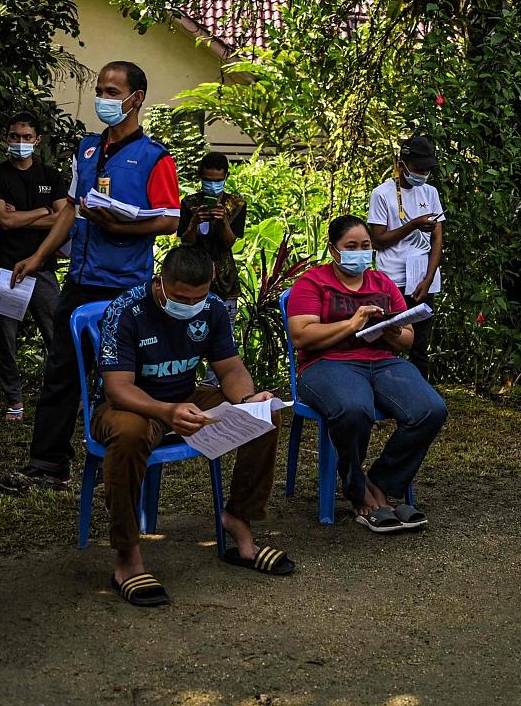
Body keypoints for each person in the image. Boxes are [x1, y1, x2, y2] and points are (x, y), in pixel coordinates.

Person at [1, 61, 182, 492]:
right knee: (62, 367)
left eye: (113, 91)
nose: (104, 98)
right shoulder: (86, 148)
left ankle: (113, 457)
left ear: (136, 98)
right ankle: (48, 464)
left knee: (119, 374)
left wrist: (121, 227)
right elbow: (69, 210)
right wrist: (40, 256)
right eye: (101, 89)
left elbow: (171, 220)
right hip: (80, 278)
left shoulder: (156, 158)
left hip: (124, 283)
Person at [95, 246, 292, 606]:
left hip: (187, 395)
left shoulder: (213, 308)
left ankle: (238, 518)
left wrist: (246, 402)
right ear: (160, 283)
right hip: (132, 404)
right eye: (181, 297)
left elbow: (230, 368)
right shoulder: (125, 311)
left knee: (266, 417)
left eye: (198, 297)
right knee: (129, 435)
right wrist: (167, 412)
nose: (190, 304)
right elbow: (117, 388)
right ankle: (127, 558)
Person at [287, 215, 447, 533]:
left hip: (382, 362)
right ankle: (357, 490)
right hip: (327, 364)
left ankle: (383, 483)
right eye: (351, 246)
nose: (360, 252)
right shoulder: (312, 282)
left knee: (430, 409)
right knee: (353, 409)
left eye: (365, 246)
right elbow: (302, 336)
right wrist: (352, 323)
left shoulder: (382, 283)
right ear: (334, 250)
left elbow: (407, 339)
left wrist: (387, 329)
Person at [0, 112, 69, 421]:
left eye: (26, 137)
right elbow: (5, 220)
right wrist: (43, 212)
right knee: (6, 340)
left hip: (43, 269)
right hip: (8, 270)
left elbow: (63, 220)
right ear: (7, 138)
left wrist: (25, 215)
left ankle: (62, 398)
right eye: (15, 136)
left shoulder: (51, 176)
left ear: (37, 141)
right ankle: (14, 401)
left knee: (57, 338)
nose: (20, 143)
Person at [367, 137, 443, 374]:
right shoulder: (382, 194)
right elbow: (378, 241)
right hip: (392, 280)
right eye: (418, 169)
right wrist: (413, 225)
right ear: (402, 164)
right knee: (390, 339)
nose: (422, 174)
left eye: (427, 170)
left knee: (420, 342)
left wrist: (429, 278)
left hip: (422, 278)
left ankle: (421, 394)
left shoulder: (430, 193)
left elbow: (438, 238)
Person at [178, 152, 248, 326]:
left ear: (225, 177)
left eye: (217, 181)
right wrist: (194, 222)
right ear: (201, 176)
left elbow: (229, 242)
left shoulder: (236, 205)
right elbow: (186, 241)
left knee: (224, 329)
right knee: (194, 328)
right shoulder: (189, 203)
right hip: (194, 273)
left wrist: (224, 221)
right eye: (208, 180)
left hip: (225, 278)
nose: (212, 185)